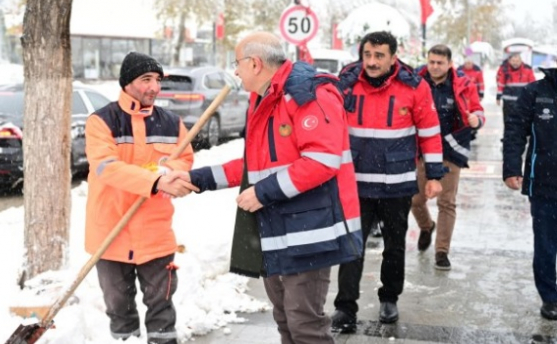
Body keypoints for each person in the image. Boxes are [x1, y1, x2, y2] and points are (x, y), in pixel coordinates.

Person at [168, 31, 363, 344]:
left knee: (305, 326)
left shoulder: (306, 94)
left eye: (238, 63)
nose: (235, 71)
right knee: (286, 319)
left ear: (255, 63)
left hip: (310, 233)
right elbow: (254, 167)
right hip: (278, 230)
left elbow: (322, 161)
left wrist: (262, 193)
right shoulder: (266, 98)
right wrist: (199, 178)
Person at [331, 31, 445, 333]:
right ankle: (345, 307)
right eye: (367, 54)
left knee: (394, 247)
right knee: (351, 247)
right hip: (355, 185)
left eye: (379, 55)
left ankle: (389, 298)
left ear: (393, 57)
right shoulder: (345, 85)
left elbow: (430, 132)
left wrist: (434, 175)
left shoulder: (415, 87)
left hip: (397, 184)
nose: (371, 61)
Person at [84, 51, 197, 343]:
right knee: (119, 309)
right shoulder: (101, 121)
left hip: (155, 233)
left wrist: (171, 171)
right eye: (146, 79)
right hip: (111, 232)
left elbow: (184, 159)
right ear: (127, 82)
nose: (154, 88)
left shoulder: (172, 123)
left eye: (158, 80)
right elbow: (106, 168)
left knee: (162, 309)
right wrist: (156, 178)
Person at [412, 45, 485, 270]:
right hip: (421, 150)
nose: (434, 66)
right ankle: (426, 226)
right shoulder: (415, 80)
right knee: (415, 199)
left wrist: (477, 119)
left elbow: (477, 109)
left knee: (447, 202)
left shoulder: (462, 84)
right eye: (431, 62)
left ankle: (441, 252)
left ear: (450, 64)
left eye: (440, 63)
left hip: (450, 149)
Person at [503, 67, 557, 321]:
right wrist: (512, 168)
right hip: (544, 183)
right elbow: (514, 132)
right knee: (546, 243)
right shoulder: (535, 92)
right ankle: (550, 297)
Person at [496, 53, 535, 127]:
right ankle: (508, 137)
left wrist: (533, 97)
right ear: (509, 61)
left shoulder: (528, 69)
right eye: (513, 61)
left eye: (517, 61)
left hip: (523, 102)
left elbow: (533, 84)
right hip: (508, 102)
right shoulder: (505, 70)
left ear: (521, 61)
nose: (515, 63)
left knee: (523, 122)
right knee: (508, 122)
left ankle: (521, 137)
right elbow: (501, 84)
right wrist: (498, 97)